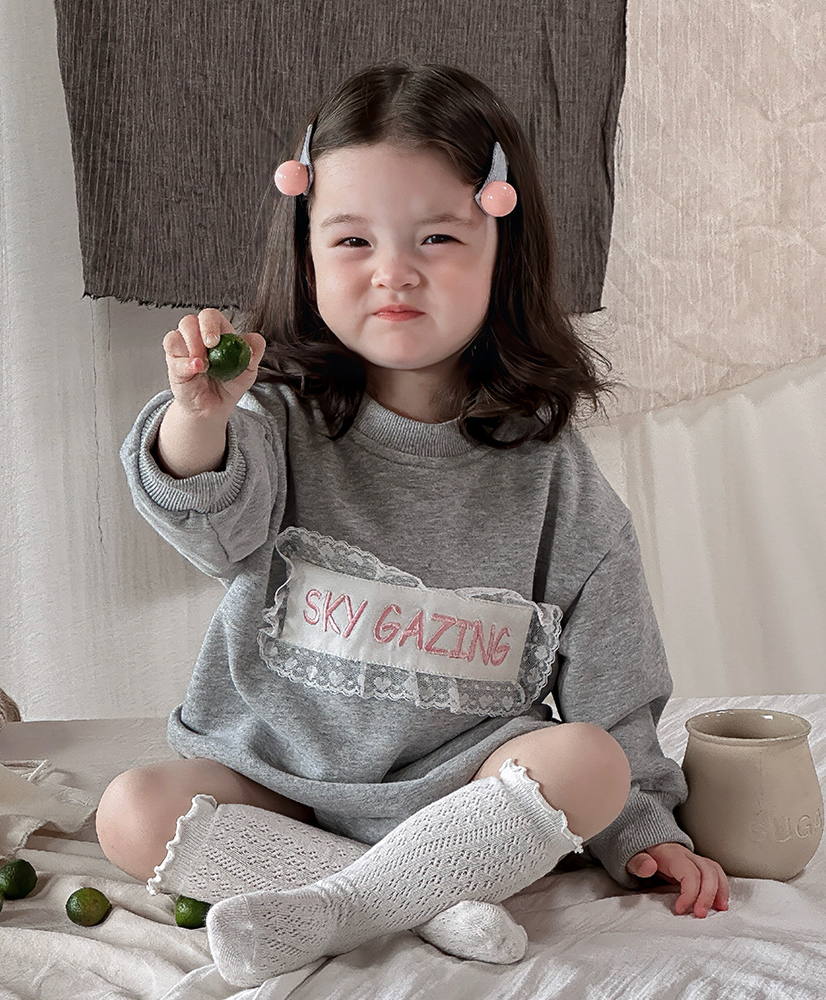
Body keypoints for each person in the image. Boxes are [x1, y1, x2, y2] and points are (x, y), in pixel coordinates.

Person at [96, 63, 729, 986]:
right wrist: (198, 417)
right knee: (130, 810)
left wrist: (642, 829)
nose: (393, 271)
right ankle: (417, 900)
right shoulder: (270, 419)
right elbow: (212, 529)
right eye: (353, 239)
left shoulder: (549, 467)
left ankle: (355, 897)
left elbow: (614, 676)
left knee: (589, 762)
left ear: (502, 248)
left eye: (437, 236)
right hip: (281, 787)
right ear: (307, 254)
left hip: (467, 801)